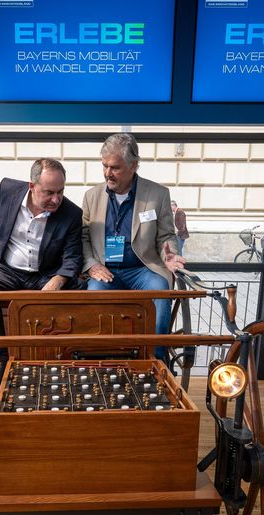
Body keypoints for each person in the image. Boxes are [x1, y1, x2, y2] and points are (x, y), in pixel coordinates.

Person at [0, 158, 83, 391]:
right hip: (8, 268)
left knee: (81, 289)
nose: (56, 199)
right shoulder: (8, 190)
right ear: (32, 186)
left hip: (45, 273)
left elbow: (73, 255)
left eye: (60, 192)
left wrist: (59, 279)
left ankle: (66, 353)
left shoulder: (71, 213)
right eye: (49, 193)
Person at [81, 133, 186, 361]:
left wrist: (169, 255)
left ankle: (157, 361)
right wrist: (91, 265)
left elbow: (166, 235)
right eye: (105, 166)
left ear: (134, 165)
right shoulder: (91, 196)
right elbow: (84, 237)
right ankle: (99, 361)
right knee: (94, 295)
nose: (108, 173)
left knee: (160, 290)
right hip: (106, 271)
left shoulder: (157, 195)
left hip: (143, 269)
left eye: (115, 167)